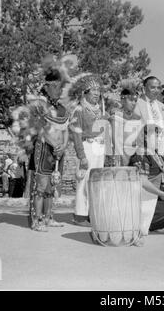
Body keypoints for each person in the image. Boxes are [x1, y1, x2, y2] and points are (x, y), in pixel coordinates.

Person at [23, 56, 70, 232]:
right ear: (46, 87)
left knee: (52, 185)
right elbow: (40, 130)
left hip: (59, 152)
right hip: (43, 150)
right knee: (41, 186)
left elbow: (65, 131)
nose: (58, 91)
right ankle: (37, 220)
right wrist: (53, 145)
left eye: (60, 88)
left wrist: (63, 146)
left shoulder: (63, 109)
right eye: (55, 87)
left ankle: (49, 217)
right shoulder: (39, 106)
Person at [69, 75, 111, 225]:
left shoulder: (100, 111)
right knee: (84, 180)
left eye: (98, 90)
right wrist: (82, 156)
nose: (96, 93)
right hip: (87, 147)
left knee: (96, 181)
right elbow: (76, 134)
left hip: (99, 148)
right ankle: (80, 215)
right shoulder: (79, 110)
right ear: (85, 93)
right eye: (93, 90)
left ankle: (92, 213)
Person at [129, 148, 164, 237]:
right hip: (143, 197)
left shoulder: (155, 154)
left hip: (156, 193)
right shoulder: (140, 155)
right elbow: (142, 181)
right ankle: (141, 223)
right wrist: (161, 193)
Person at [134, 76, 164, 156]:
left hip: (162, 153)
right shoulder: (136, 105)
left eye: (158, 88)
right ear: (144, 88)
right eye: (153, 87)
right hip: (143, 153)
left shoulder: (163, 107)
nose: (156, 90)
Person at [109, 80, 143, 166]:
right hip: (121, 154)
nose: (134, 103)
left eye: (135, 101)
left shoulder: (137, 117)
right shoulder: (117, 116)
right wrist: (121, 156)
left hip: (135, 156)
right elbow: (115, 138)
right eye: (131, 100)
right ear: (123, 100)